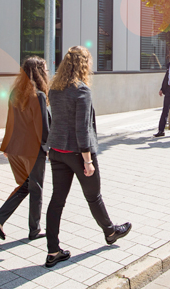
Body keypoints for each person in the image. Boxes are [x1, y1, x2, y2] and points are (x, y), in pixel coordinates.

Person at [44, 46, 131, 268]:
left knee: (57, 201)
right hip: (78, 153)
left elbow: (56, 122)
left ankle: (53, 251)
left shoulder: (54, 88)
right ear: (84, 65)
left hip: (57, 153)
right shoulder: (82, 91)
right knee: (94, 196)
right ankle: (110, 232)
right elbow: (82, 129)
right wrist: (88, 160)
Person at [0, 57, 51, 242]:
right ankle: (35, 230)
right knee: (36, 188)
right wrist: (47, 148)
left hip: (15, 149)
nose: (47, 73)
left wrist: (6, 145)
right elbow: (43, 127)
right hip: (33, 150)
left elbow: (10, 122)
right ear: (39, 72)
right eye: (45, 70)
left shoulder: (15, 92)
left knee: (26, 186)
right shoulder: (39, 95)